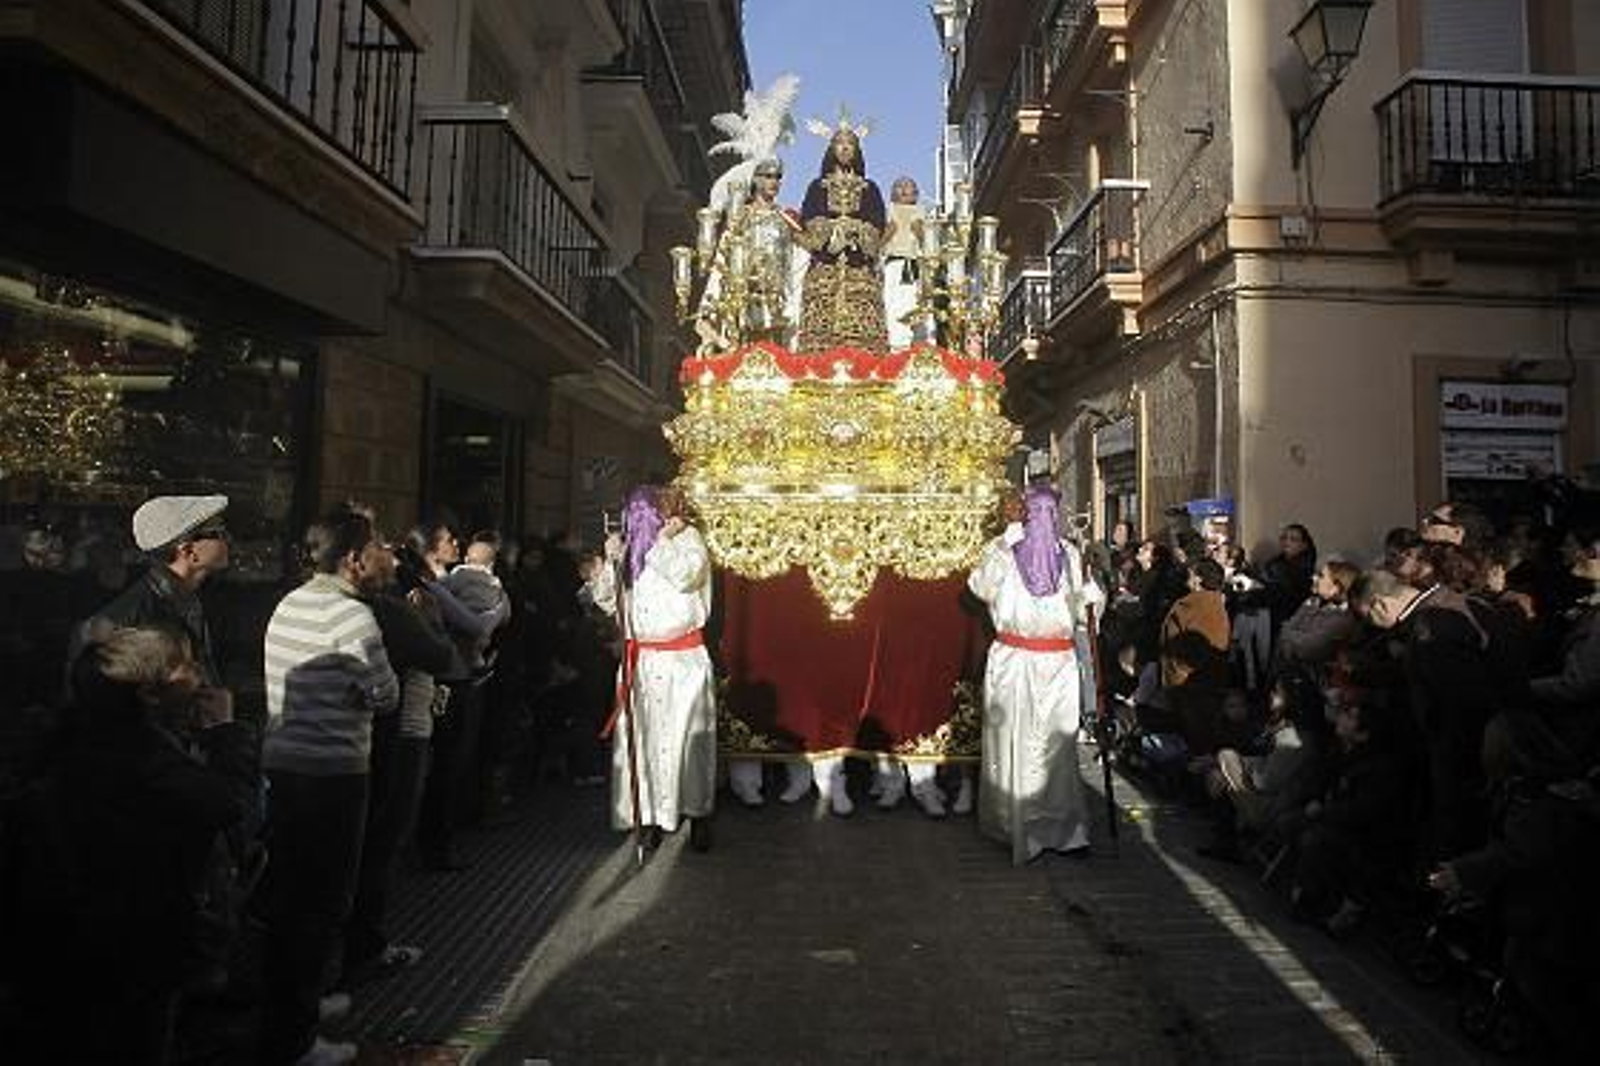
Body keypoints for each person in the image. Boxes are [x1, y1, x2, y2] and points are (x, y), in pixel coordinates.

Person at [3, 627, 252, 1065]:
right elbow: (231, 809)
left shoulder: (64, 741)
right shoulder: (148, 761)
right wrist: (226, 735)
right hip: (135, 949)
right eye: (185, 666)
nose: (197, 675)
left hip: (50, 944)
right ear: (150, 694)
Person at [258, 505, 399, 1066]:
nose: (383, 553)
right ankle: (294, 1039)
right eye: (376, 546)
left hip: (284, 768)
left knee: (291, 897)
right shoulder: (354, 619)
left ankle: (301, 1004)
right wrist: (357, 694)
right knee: (318, 903)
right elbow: (385, 694)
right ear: (352, 561)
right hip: (332, 776)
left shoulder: (289, 602)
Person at [967, 485, 1103, 864]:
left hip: (1057, 665)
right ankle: (1014, 825)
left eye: (1050, 512)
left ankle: (1063, 830)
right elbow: (981, 588)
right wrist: (1001, 547)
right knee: (1015, 740)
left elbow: (1080, 613)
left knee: (1057, 748)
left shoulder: (1070, 555)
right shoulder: (1003, 551)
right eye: (1036, 511)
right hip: (1015, 662)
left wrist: (1093, 597)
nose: (1045, 519)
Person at [588, 486, 717, 851]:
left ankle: (697, 814)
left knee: (687, 741)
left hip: (682, 663)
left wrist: (661, 541)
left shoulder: (688, 541)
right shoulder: (627, 548)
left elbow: (686, 575)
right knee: (643, 743)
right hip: (641, 662)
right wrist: (609, 564)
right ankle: (647, 816)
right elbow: (605, 601)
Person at [85, 494, 231, 689]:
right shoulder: (135, 617)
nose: (228, 539)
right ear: (188, 552)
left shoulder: (185, 597)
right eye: (218, 533)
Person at [797, 122, 888, 352]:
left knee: (863, 338)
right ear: (831, 149)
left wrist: (856, 230)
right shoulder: (818, 187)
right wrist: (829, 230)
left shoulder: (870, 188)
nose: (845, 148)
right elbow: (808, 217)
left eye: (850, 144)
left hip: (859, 267)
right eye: (839, 143)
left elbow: (877, 222)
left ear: (857, 151)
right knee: (820, 337)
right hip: (825, 265)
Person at [698, 156, 805, 351]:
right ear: (756, 179)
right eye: (768, 176)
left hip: (777, 303)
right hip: (744, 299)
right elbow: (723, 259)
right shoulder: (740, 219)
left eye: (778, 177)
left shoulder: (786, 221)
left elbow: (797, 262)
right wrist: (710, 302)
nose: (774, 182)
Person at [880, 175, 926, 350]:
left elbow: (925, 240)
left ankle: (914, 343)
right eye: (900, 186)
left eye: (909, 185)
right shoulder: (890, 210)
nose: (905, 189)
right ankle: (896, 344)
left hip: (913, 265)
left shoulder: (920, 212)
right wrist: (889, 231)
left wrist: (920, 230)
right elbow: (883, 239)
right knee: (893, 303)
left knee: (914, 302)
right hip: (894, 264)